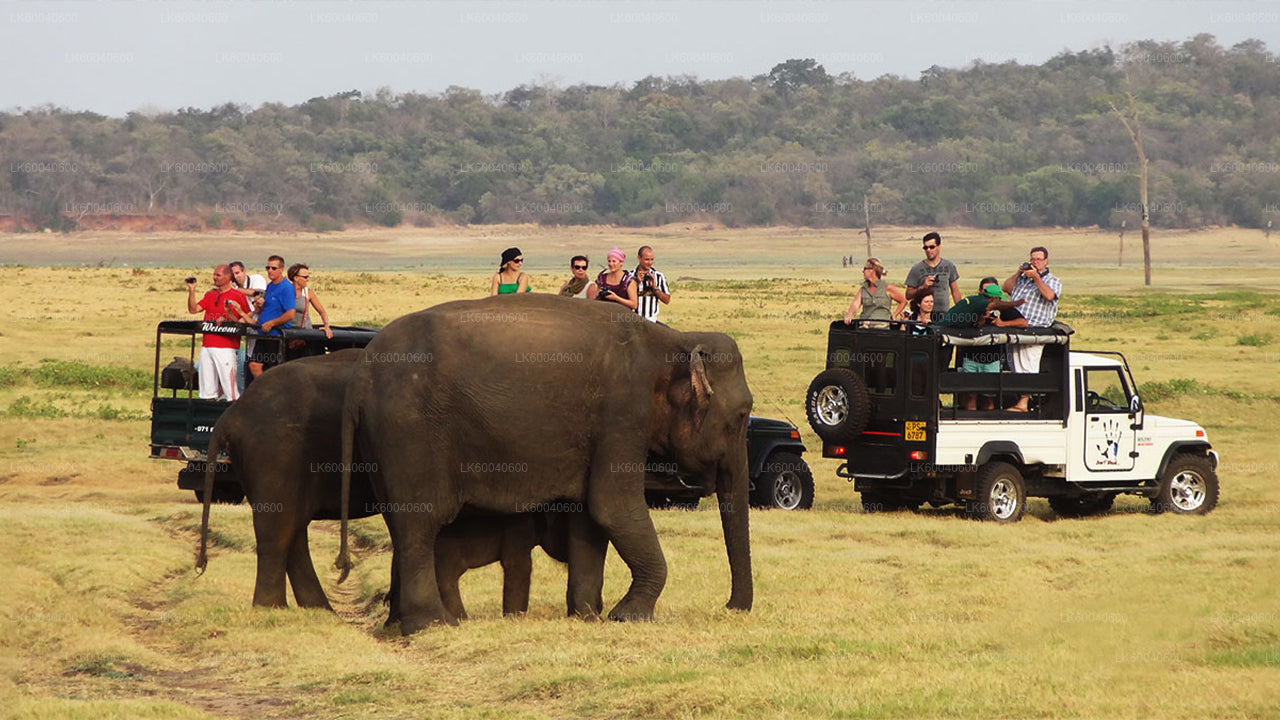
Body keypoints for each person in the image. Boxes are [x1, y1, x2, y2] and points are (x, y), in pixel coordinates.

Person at [935, 278, 1027, 410]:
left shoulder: (999, 307)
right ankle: (970, 418)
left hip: (992, 359)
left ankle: (987, 419)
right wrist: (981, 320)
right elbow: (975, 323)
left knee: (988, 397)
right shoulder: (977, 304)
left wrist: (1003, 323)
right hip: (970, 357)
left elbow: (1023, 323)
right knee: (970, 395)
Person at [1001, 246, 1062, 412]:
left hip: (1034, 330)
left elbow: (1049, 295)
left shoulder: (1052, 280)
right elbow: (1006, 288)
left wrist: (1036, 278)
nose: (1035, 262)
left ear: (1046, 261)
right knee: (1015, 364)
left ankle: (1024, 403)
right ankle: (1020, 402)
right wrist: (1018, 273)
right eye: (1032, 259)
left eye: (1038, 259)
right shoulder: (1023, 279)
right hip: (1015, 326)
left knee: (1028, 363)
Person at [185, 264, 250, 401]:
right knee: (207, 390)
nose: (215, 278)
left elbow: (247, 316)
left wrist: (229, 320)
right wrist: (192, 290)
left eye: (218, 275)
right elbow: (194, 309)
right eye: (214, 274)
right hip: (207, 344)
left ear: (228, 277)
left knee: (230, 389)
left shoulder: (237, 295)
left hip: (226, 346)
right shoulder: (210, 294)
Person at [248, 255, 295, 379]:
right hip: (263, 333)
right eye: (267, 268)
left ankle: (274, 389)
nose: (270, 271)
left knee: (274, 369)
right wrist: (260, 306)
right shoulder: (270, 286)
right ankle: (264, 388)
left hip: (276, 335)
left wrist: (272, 323)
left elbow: (290, 313)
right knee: (254, 365)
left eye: (273, 268)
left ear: (281, 269)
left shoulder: (287, 287)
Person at [229, 260, 267, 392]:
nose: (236, 276)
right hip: (249, 326)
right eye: (233, 274)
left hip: (260, 325)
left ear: (244, 271)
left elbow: (257, 294)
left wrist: (234, 290)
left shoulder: (257, 279)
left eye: (237, 273)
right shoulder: (235, 290)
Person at [904, 231, 963, 313]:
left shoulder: (949, 266)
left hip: (943, 314)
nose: (928, 250)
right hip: (923, 315)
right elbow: (908, 295)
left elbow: (955, 291)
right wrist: (923, 287)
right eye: (925, 248)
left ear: (939, 246)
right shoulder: (916, 268)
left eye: (932, 247)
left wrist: (961, 311)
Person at [843, 258, 906, 323]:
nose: (863, 271)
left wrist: (894, 315)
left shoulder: (887, 288)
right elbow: (855, 304)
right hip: (864, 325)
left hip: (882, 326)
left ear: (872, 270)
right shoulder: (863, 289)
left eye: (865, 269)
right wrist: (850, 315)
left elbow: (903, 301)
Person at [633, 245, 671, 323]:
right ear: (639, 258)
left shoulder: (659, 276)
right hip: (633, 319)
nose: (650, 263)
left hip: (651, 320)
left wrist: (655, 287)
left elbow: (667, 300)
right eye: (647, 260)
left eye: (652, 259)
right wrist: (636, 282)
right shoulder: (630, 276)